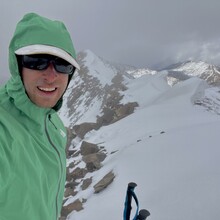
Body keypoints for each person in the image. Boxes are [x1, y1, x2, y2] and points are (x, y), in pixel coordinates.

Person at [0, 13, 80, 220]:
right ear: (18, 65)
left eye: (63, 65)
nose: (52, 75)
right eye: (37, 61)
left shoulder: (53, 124)